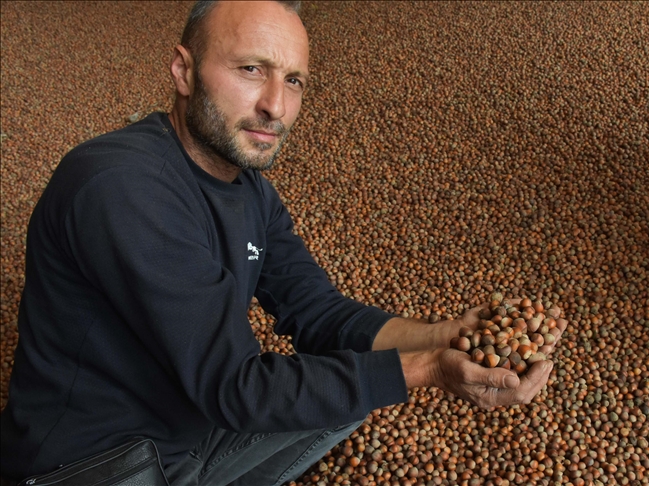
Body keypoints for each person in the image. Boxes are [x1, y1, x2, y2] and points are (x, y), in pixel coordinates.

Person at [0, 1, 565, 485]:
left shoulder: (251, 191)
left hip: (193, 428)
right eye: (251, 69)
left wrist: (450, 336)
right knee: (359, 380)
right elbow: (235, 386)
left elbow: (319, 312)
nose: (277, 105)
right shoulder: (120, 186)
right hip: (100, 464)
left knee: (352, 388)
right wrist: (432, 370)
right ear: (183, 71)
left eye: (293, 80)